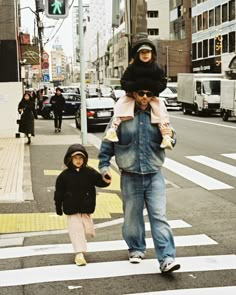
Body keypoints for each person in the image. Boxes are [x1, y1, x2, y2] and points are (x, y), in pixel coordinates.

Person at [98, 86, 181, 273]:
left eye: (149, 93)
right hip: (129, 176)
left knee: (159, 217)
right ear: (134, 94)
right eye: (141, 93)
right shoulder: (120, 118)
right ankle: (136, 248)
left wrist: (170, 136)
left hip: (154, 174)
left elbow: (173, 140)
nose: (145, 97)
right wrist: (104, 168)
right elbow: (107, 145)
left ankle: (167, 258)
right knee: (132, 217)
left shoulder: (159, 116)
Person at [103, 38, 173, 150]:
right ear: (138, 54)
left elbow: (163, 83)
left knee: (160, 112)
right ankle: (112, 130)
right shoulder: (132, 67)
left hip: (152, 96)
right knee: (120, 106)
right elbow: (124, 82)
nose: (145, 55)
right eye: (142, 52)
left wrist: (150, 89)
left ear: (152, 53)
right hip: (132, 96)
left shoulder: (156, 67)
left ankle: (166, 137)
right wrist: (137, 87)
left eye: (148, 52)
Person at [54, 144, 111, 266]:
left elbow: (99, 181)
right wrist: (58, 207)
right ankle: (79, 254)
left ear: (84, 159)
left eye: (81, 158)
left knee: (85, 230)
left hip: (86, 207)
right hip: (71, 207)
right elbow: (58, 193)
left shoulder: (89, 172)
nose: (78, 161)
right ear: (70, 159)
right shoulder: (64, 176)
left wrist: (106, 180)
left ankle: (81, 246)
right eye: (75, 158)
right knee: (76, 229)